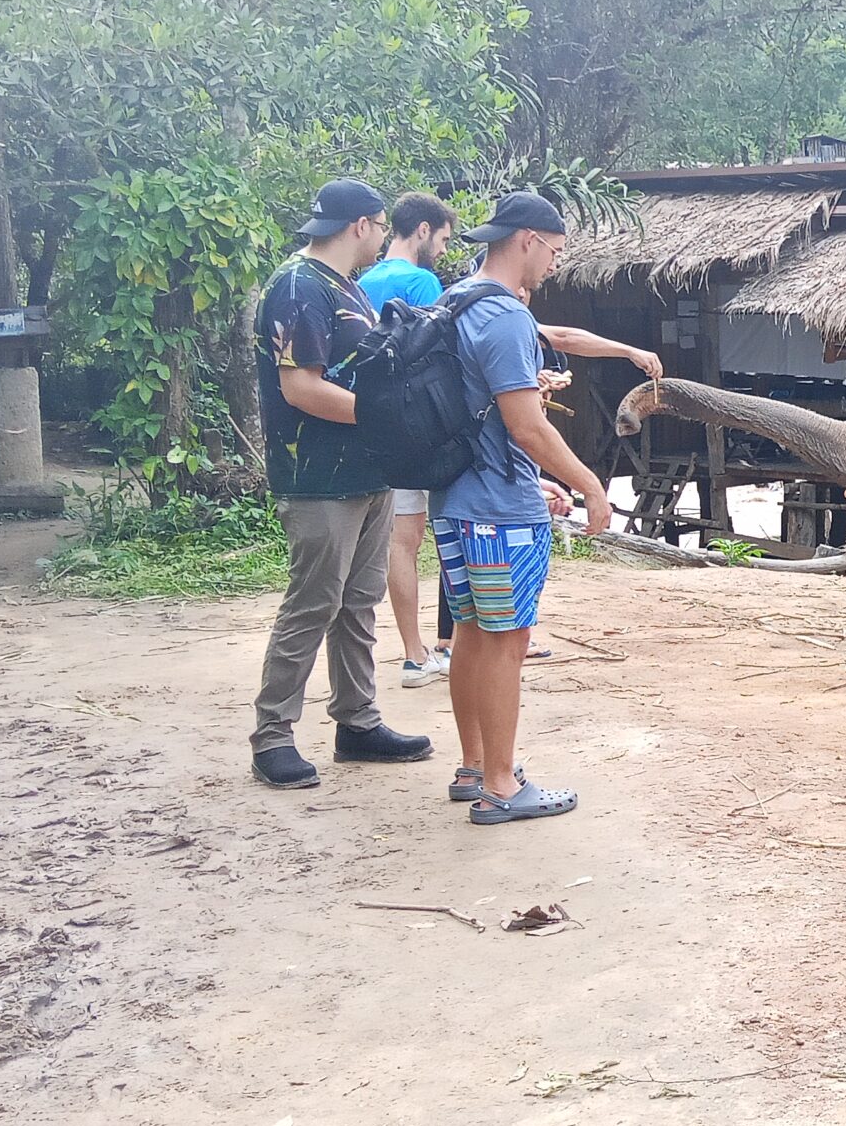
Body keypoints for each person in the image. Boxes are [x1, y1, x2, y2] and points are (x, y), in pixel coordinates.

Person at [248, 178, 434, 789]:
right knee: (315, 601)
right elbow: (300, 386)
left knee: (358, 602)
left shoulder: (343, 286)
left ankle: (357, 721)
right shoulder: (299, 286)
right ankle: (272, 734)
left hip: (364, 470)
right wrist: (386, 418)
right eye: (381, 226)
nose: (384, 237)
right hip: (317, 476)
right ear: (362, 225)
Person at [431, 191, 609, 823]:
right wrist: (588, 483)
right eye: (555, 252)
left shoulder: (452, 300)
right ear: (529, 240)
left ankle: (474, 767)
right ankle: (502, 787)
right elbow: (526, 426)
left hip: (454, 498)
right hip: (497, 510)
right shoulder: (504, 315)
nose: (554, 266)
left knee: (473, 632)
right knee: (508, 639)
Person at [356, 192, 458, 689]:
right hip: (418, 425)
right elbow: (436, 352)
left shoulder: (361, 282)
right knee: (427, 539)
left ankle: (415, 651)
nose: (441, 250)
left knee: (399, 541)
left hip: (373, 424)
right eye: (441, 239)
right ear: (422, 230)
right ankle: (435, 649)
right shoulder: (421, 282)